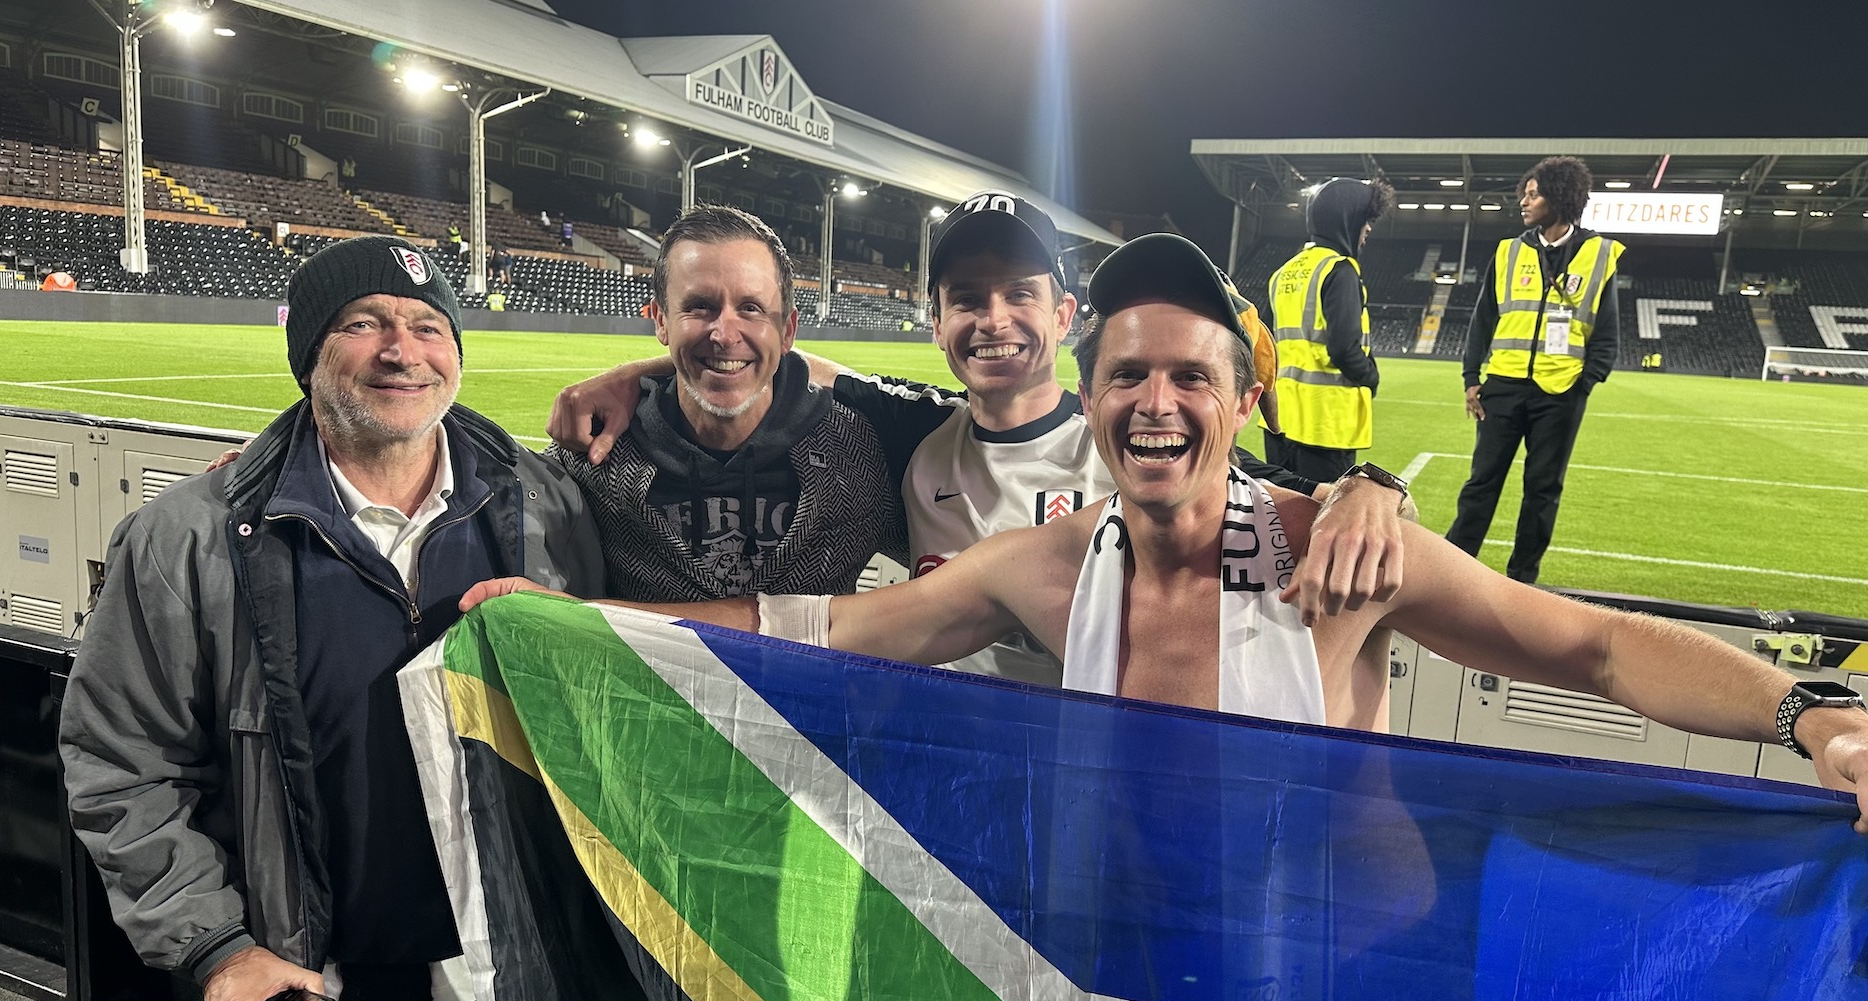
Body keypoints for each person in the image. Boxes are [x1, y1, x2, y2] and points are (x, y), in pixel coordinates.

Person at [466, 231, 1868, 825]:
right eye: (1126, 376)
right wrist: (575, 621)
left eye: (1188, 377)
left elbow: (1602, 652)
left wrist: (1811, 713)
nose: (1154, 403)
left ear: (1239, 399)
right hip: (1118, 957)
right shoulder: (1057, 561)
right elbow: (811, 629)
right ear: (1090, 396)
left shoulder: (1343, 547)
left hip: (1332, 969)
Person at [59, 236, 606, 1001]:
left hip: (512, 993)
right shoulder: (190, 539)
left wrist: (636, 378)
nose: (403, 352)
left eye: (430, 327)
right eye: (365, 323)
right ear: (308, 353)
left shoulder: (549, 509)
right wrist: (219, 948)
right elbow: (123, 764)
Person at [548, 193, 1410, 685]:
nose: (993, 321)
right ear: (937, 323)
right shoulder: (913, 432)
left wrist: (1370, 486)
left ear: (1067, 315)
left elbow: (1277, 496)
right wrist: (638, 374)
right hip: (946, 778)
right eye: (967, 297)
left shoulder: (1138, 451)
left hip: (1091, 778)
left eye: (1019, 295)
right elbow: (764, 349)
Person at [549, 204, 906, 601]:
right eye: (700, 306)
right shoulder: (592, 459)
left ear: (787, 331)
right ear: (661, 322)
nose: (724, 334)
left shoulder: (862, 456)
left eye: (751, 308)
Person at [1445, 156, 1623, 584]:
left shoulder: (1600, 254)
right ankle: (1449, 568)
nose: (1523, 201)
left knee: (1543, 491)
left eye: (1533, 193)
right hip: (1502, 387)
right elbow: (1482, 320)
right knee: (1481, 483)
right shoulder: (1509, 251)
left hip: (1560, 395)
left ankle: (1522, 578)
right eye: (1524, 192)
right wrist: (1472, 379)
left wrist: (1584, 384)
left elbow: (1608, 333)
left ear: (1560, 196)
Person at [1265, 177, 1392, 483]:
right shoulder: (1340, 269)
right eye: (1366, 220)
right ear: (1347, 220)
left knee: (1284, 519)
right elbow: (1343, 348)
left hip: (1281, 421)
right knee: (1323, 520)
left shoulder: (1283, 273)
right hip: (1326, 424)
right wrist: (1371, 377)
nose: (1368, 229)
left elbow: (1267, 344)